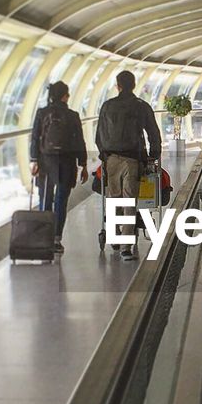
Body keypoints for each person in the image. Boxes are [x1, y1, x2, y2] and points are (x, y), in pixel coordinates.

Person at [95, 69, 162, 261]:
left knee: (114, 199)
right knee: (129, 201)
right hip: (133, 159)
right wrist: (153, 156)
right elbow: (153, 133)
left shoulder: (107, 106)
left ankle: (115, 237)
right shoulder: (141, 106)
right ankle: (125, 246)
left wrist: (104, 156)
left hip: (111, 159)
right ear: (133, 85)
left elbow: (98, 136)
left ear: (118, 86)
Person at [29, 80, 88, 254]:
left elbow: (35, 138)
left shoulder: (42, 113)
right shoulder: (72, 115)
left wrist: (34, 160)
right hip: (66, 162)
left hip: (45, 162)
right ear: (64, 96)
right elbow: (79, 141)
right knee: (61, 202)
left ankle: (43, 238)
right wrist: (83, 164)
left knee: (45, 200)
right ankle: (56, 240)